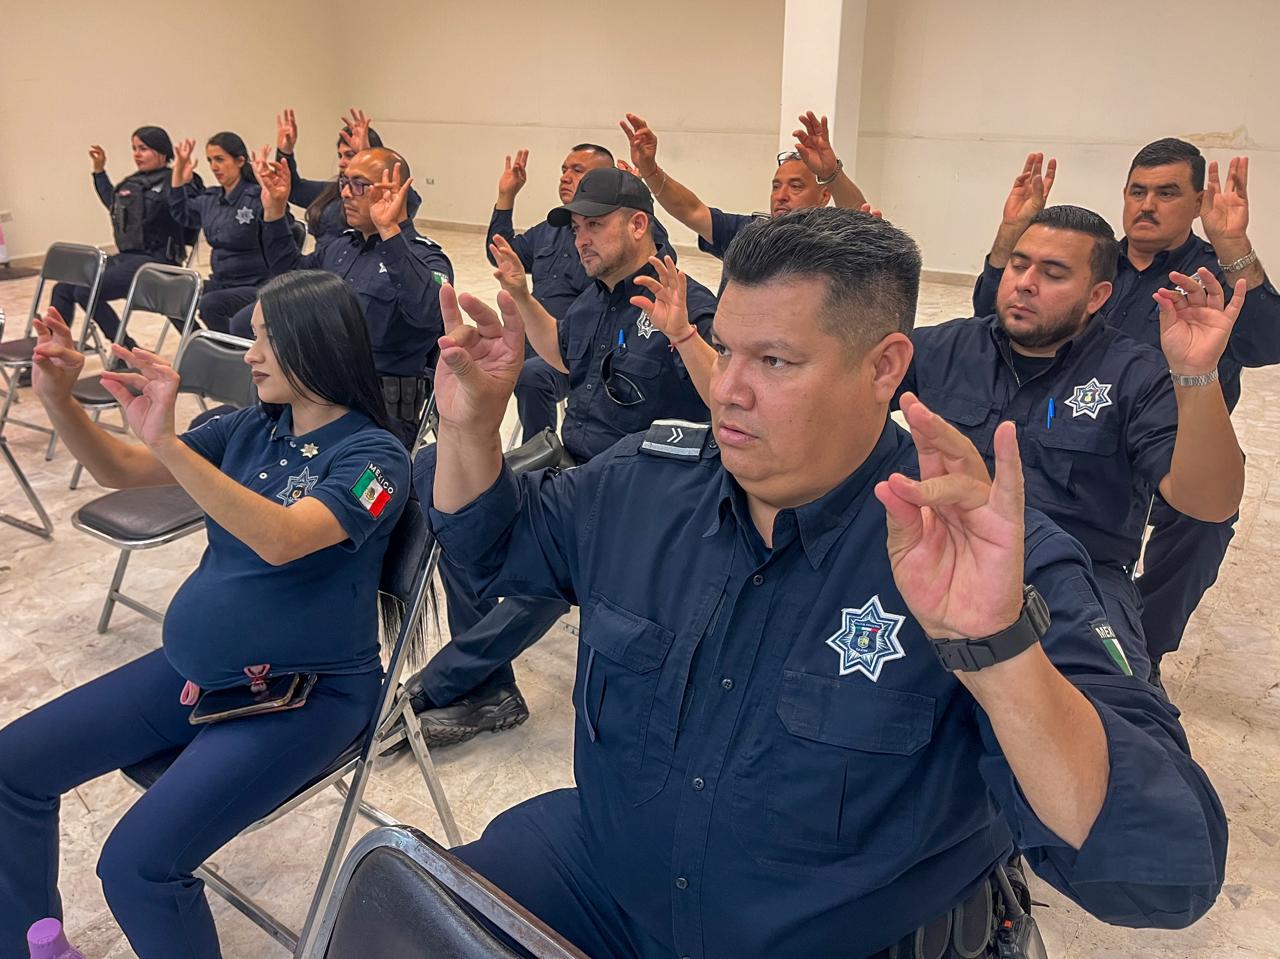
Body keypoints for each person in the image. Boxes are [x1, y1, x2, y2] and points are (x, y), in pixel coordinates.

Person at [422, 206, 1227, 958]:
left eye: (774, 360)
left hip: (834, 933)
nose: (728, 387)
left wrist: (998, 650)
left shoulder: (987, 561)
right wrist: (467, 429)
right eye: (725, 347)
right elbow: (489, 550)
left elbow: (1164, 867)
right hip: (613, 877)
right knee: (403, 912)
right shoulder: (642, 485)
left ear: (884, 368)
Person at [0, 271, 410, 958]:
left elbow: (283, 537)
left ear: (315, 344)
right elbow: (121, 468)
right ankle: (33, 943)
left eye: (262, 340)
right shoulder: (253, 427)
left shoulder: (377, 460)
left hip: (302, 696)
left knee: (134, 867)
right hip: (198, 672)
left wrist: (167, 442)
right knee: (12, 765)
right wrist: (59, 399)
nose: (248, 355)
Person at [406, 167, 717, 747]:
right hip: (570, 461)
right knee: (449, 489)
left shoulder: (686, 305)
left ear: (639, 224)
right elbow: (565, 357)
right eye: (577, 227)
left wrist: (684, 337)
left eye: (595, 225)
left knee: (563, 553)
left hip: (644, 490)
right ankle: (489, 683)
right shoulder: (594, 300)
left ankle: (448, 679)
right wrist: (522, 297)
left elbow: (729, 398)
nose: (582, 239)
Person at [970, 141, 1280, 680]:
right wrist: (1009, 240)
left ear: (1197, 202)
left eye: (1166, 193)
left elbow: (1266, 344)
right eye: (1137, 191)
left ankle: (1143, 646)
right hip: (1082, 435)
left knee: (1205, 520)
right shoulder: (1090, 264)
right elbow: (992, 326)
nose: (1147, 205)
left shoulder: (1214, 274)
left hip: (1172, 443)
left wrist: (1235, 246)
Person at [900, 205, 1246, 682]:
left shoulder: (1135, 375)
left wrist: (1196, 375)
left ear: (1096, 296)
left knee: (1122, 732)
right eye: (1019, 265)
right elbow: (838, 411)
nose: (1025, 282)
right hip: (936, 557)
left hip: (1072, 579)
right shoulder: (943, 349)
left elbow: (1210, 503)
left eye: (1054, 273)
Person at [253, 146, 453, 446]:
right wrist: (275, 212)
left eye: (359, 184)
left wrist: (389, 232)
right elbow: (288, 284)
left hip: (379, 407)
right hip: (318, 390)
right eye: (344, 183)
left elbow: (427, 314)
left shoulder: (427, 259)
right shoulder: (340, 247)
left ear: (393, 191)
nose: (346, 193)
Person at [487, 143, 673, 442]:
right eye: (563, 170)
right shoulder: (547, 231)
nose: (565, 177)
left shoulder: (619, 250)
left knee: (534, 375)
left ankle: (539, 456)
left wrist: (638, 195)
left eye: (577, 170)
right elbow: (501, 253)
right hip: (543, 342)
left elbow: (654, 256)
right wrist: (506, 198)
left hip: (584, 352)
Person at [619, 109, 868, 259]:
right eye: (775, 186)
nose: (781, 196)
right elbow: (691, 210)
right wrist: (650, 170)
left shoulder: (830, 244)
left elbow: (862, 226)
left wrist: (832, 174)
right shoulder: (748, 233)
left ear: (824, 195)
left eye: (796, 187)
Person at [50, 126, 195, 348]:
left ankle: (125, 349)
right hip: (129, 257)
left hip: (158, 260)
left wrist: (184, 182)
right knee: (63, 288)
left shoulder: (175, 179)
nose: (136, 154)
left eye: (143, 149)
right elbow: (114, 204)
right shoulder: (133, 182)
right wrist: (99, 172)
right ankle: (54, 349)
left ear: (162, 152)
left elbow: (190, 209)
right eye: (134, 149)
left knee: (87, 290)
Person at [167, 131, 272, 333]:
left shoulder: (256, 195)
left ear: (240, 161)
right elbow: (181, 214)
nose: (214, 167)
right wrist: (178, 172)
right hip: (223, 282)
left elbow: (280, 222)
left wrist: (266, 186)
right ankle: (198, 343)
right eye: (210, 161)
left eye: (220, 159)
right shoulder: (211, 198)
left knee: (210, 305)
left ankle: (236, 352)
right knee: (174, 295)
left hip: (257, 284)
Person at [274, 106, 421, 245]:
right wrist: (285, 153)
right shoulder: (330, 191)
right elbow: (293, 189)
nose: (342, 163)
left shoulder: (384, 197)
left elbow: (409, 202)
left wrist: (367, 152)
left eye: (350, 155)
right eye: (340, 155)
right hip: (324, 264)